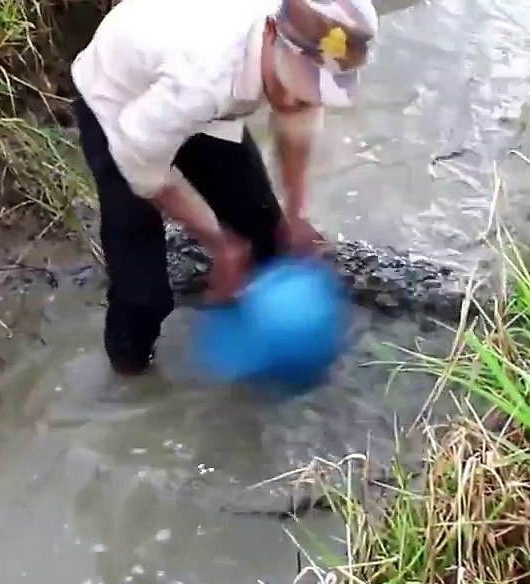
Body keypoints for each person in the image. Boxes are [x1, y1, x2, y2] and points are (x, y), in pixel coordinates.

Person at [69, 0, 379, 375]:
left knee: (268, 233)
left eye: (312, 92)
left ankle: (254, 335)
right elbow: (144, 174)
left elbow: (297, 124)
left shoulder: (302, 38)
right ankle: (129, 370)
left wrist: (296, 214)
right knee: (142, 294)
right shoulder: (200, 77)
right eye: (294, 84)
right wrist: (219, 244)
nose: (298, 99)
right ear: (269, 33)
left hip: (207, 109)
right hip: (119, 104)